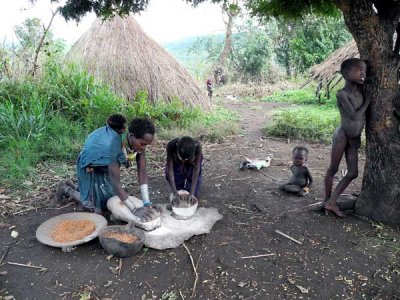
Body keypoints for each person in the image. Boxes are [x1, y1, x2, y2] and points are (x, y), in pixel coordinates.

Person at [56, 115, 158, 220]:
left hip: (105, 167)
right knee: (94, 209)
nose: (144, 147)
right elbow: (116, 183)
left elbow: (142, 171)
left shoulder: (137, 144)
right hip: (90, 166)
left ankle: (80, 188)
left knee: (108, 200)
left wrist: (146, 203)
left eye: (146, 145)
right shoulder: (113, 145)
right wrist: (134, 209)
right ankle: (65, 188)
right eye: (142, 144)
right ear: (132, 136)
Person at [324, 58, 370, 217]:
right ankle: (326, 200)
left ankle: (331, 202)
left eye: (364, 71)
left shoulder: (361, 90)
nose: (363, 74)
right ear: (345, 73)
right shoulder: (341, 94)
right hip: (342, 135)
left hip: (353, 139)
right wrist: (368, 102)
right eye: (359, 70)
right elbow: (354, 115)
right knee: (333, 169)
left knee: (353, 173)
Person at [165, 136, 203, 205]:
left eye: (187, 159)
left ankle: (191, 197)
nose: (183, 161)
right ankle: (178, 196)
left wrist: (191, 193)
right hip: (176, 164)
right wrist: (175, 192)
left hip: (192, 165)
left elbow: (196, 169)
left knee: (192, 190)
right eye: (181, 158)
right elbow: (170, 169)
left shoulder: (197, 146)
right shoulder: (171, 145)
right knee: (177, 183)